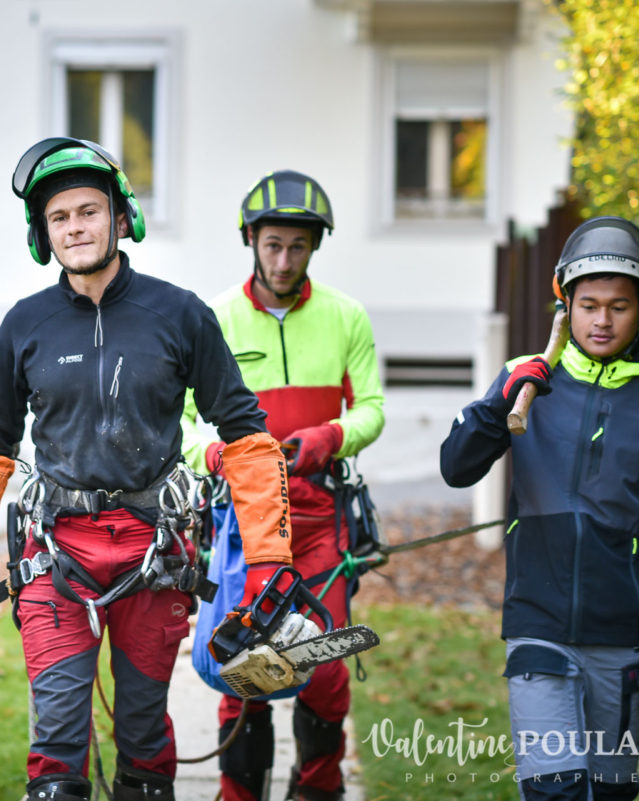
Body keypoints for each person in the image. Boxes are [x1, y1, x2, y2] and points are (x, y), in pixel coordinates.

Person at [0, 136, 295, 801]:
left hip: (153, 552)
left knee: (143, 734)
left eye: (88, 211)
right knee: (59, 740)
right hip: (54, 555)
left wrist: (268, 556)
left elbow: (245, 434)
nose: (75, 227)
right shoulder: (25, 324)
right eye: (59, 217)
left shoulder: (180, 314)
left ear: (120, 217)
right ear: (43, 233)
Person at [440, 216, 639, 801]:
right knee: (554, 788)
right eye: (588, 305)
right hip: (538, 621)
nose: (602, 320)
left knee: (608, 793)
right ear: (566, 306)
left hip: (624, 635)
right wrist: (498, 401)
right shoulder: (527, 382)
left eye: (618, 306)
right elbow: (457, 468)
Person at [180, 170, 384, 801]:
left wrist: (329, 436)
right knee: (244, 665)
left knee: (320, 672)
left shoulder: (347, 316)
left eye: (298, 246)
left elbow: (372, 407)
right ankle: (238, 794)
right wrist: (215, 455)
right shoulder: (213, 317)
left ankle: (317, 789)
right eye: (273, 244)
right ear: (251, 240)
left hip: (323, 519)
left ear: (313, 247)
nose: (284, 259)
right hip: (240, 525)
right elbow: (182, 424)